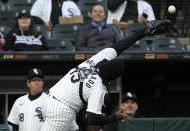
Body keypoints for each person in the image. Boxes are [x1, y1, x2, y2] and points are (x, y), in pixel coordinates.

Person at [40, 19, 171, 131]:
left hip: (50, 100)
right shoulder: (97, 87)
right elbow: (93, 119)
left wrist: (142, 32)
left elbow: (119, 46)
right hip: (61, 111)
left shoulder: (95, 60)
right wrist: (115, 117)